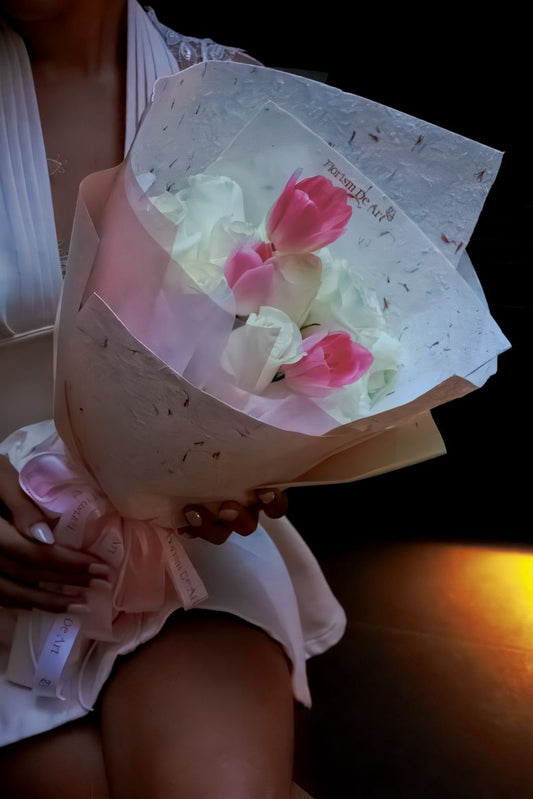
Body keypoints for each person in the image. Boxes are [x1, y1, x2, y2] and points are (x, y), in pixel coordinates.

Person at [0, 1, 346, 796]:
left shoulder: (229, 94)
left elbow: (291, 336)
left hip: (186, 553)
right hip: (15, 559)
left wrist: (249, 460)